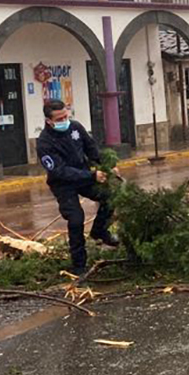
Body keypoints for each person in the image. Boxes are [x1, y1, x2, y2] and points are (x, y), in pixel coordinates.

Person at [35, 100, 118, 276]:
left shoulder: (75, 127)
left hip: (84, 176)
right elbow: (59, 171)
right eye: (60, 118)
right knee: (76, 219)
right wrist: (91, 175)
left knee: (110, 197)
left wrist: (107, 165)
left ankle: (99, 231)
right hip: (63, 185)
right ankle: (79, 265)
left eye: (66, 116)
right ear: (49, 121)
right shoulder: (44, 143)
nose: (64, 120)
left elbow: (91, 148)